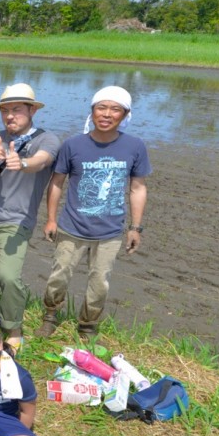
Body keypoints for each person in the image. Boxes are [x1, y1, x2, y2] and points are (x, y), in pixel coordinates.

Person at [36, 86, 151, 338]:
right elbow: (56, 183)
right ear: (92, 111)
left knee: (99, 283)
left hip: (109, 232)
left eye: (115, 109)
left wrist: (135, 227)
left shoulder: (135, 146)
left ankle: (87, 325)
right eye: (102, 107)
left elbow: (138, 188)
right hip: (71, 227)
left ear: (125, 115)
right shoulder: (73, 144)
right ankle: (50, 315)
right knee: (59, 276)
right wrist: (51, 220)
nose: (107, 114)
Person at [0, 83, 61, 349]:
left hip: (15, 222)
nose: (10, 115)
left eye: (17, 109)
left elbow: (41, 161)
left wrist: (20, 162)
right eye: (5, 110)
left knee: (9, 276)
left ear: (32, 110)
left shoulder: (47, 139)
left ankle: (13, 329)